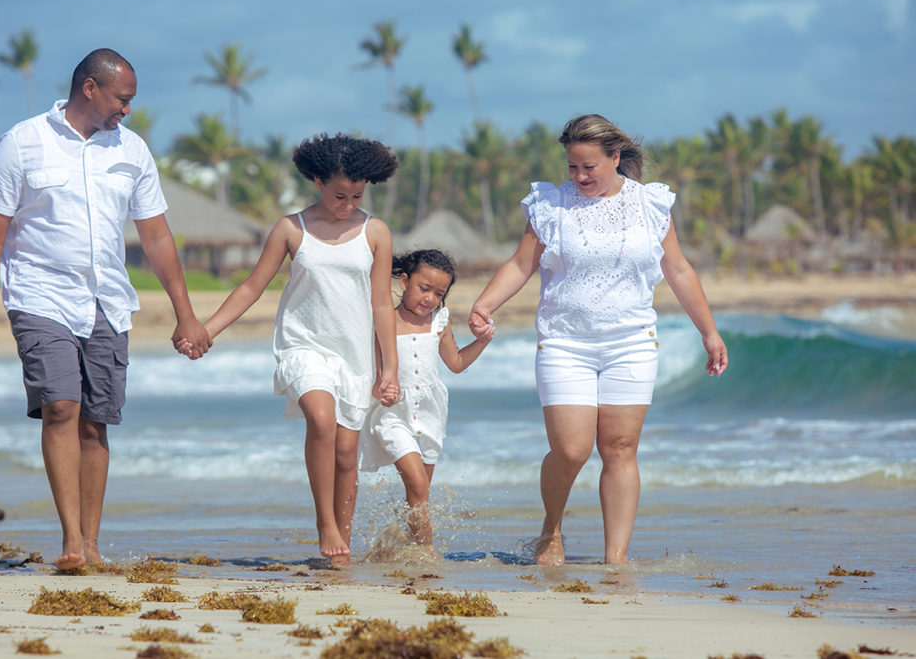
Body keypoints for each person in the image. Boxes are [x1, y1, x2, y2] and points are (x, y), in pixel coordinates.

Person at [0, 48, 211, 570]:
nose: (128, 109)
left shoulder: (133, 151)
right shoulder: (22, 144)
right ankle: (71, 542)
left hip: (107, 301)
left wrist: (185, 313)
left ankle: (92, 543)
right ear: (90, 88)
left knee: (96, 422)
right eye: (123, 98)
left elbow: (157, 236)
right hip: (38, 296)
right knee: (60, 408)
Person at [468, 114, 728, 566]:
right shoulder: (551, 206)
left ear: (615, 158)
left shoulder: (650, 204)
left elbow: (679, 269)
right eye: (573, 167)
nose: (580, 176)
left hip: (631, 342)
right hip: (565, 343)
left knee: (620, 448)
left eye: (589, 166)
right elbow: (520, 265)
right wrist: (484, 304)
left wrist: (709, 331)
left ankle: (616, 559)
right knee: (571, 449)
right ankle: (551, 529)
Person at [191, 133, 400, 565]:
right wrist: (206, 329)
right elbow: (252, 286)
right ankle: (325, 522)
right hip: (303, 345)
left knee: (346, 455)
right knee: (321, 422)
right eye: (340, 195)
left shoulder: (375, 232)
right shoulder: (292, 228)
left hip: (356, 353)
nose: (347, 204)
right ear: (318, 182)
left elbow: (382, 304)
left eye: (357, 195)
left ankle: (341, 546)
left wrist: (390, 368)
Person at [359, 249, 493, 549]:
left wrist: (481, 342)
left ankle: (404, 546)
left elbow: (456, 363)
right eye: (424, 288)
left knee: (418, 495)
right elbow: (373, 376)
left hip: (430, 417)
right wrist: (382, 389)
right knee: (418, 486)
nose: (430, 298)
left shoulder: (439, 322)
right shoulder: (384, 321)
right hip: (392, 417)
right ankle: (428, 554)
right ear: (405, 281)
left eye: (439, 293)